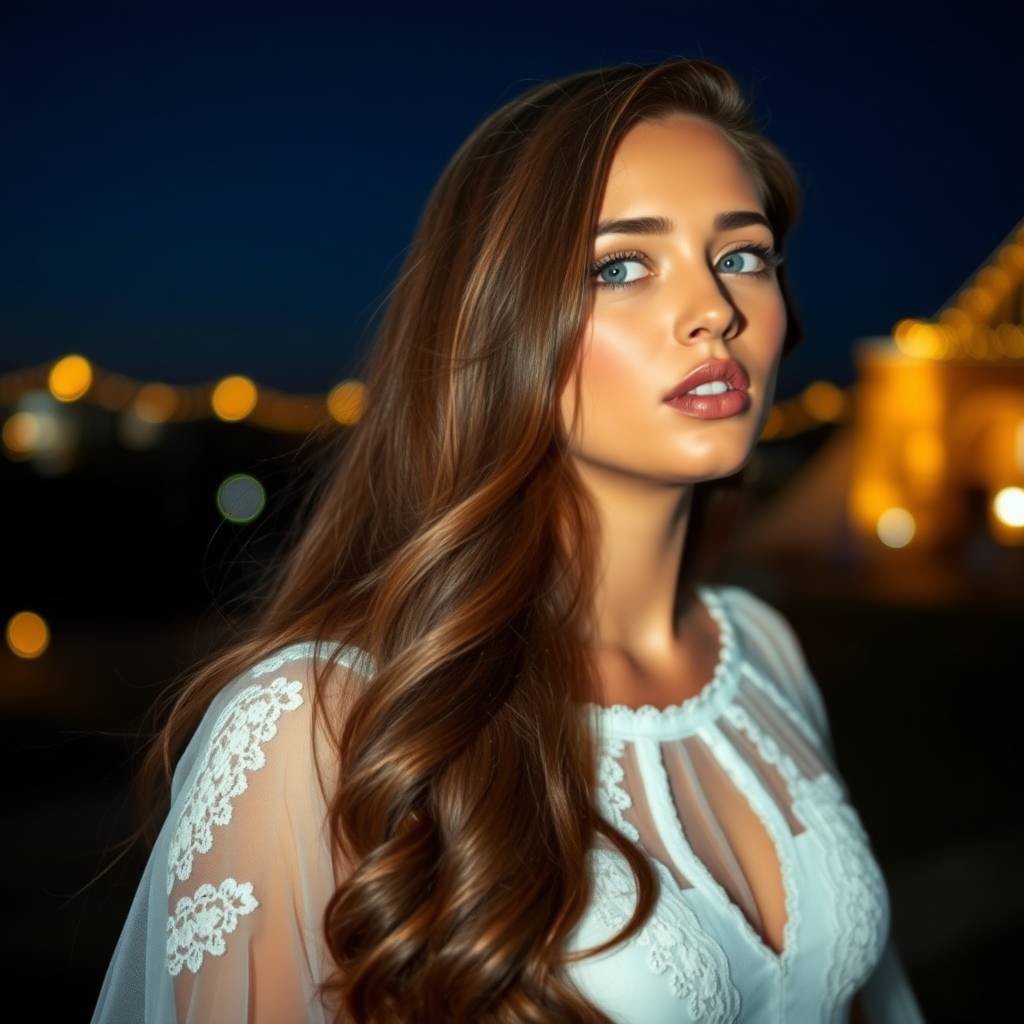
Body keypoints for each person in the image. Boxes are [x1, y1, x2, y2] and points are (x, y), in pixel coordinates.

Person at [92, 60, 925, 1023]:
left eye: (743, 256)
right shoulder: (320, 727)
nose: (718, 312)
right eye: (621, 266)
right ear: (498, 323)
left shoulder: (765, 651)